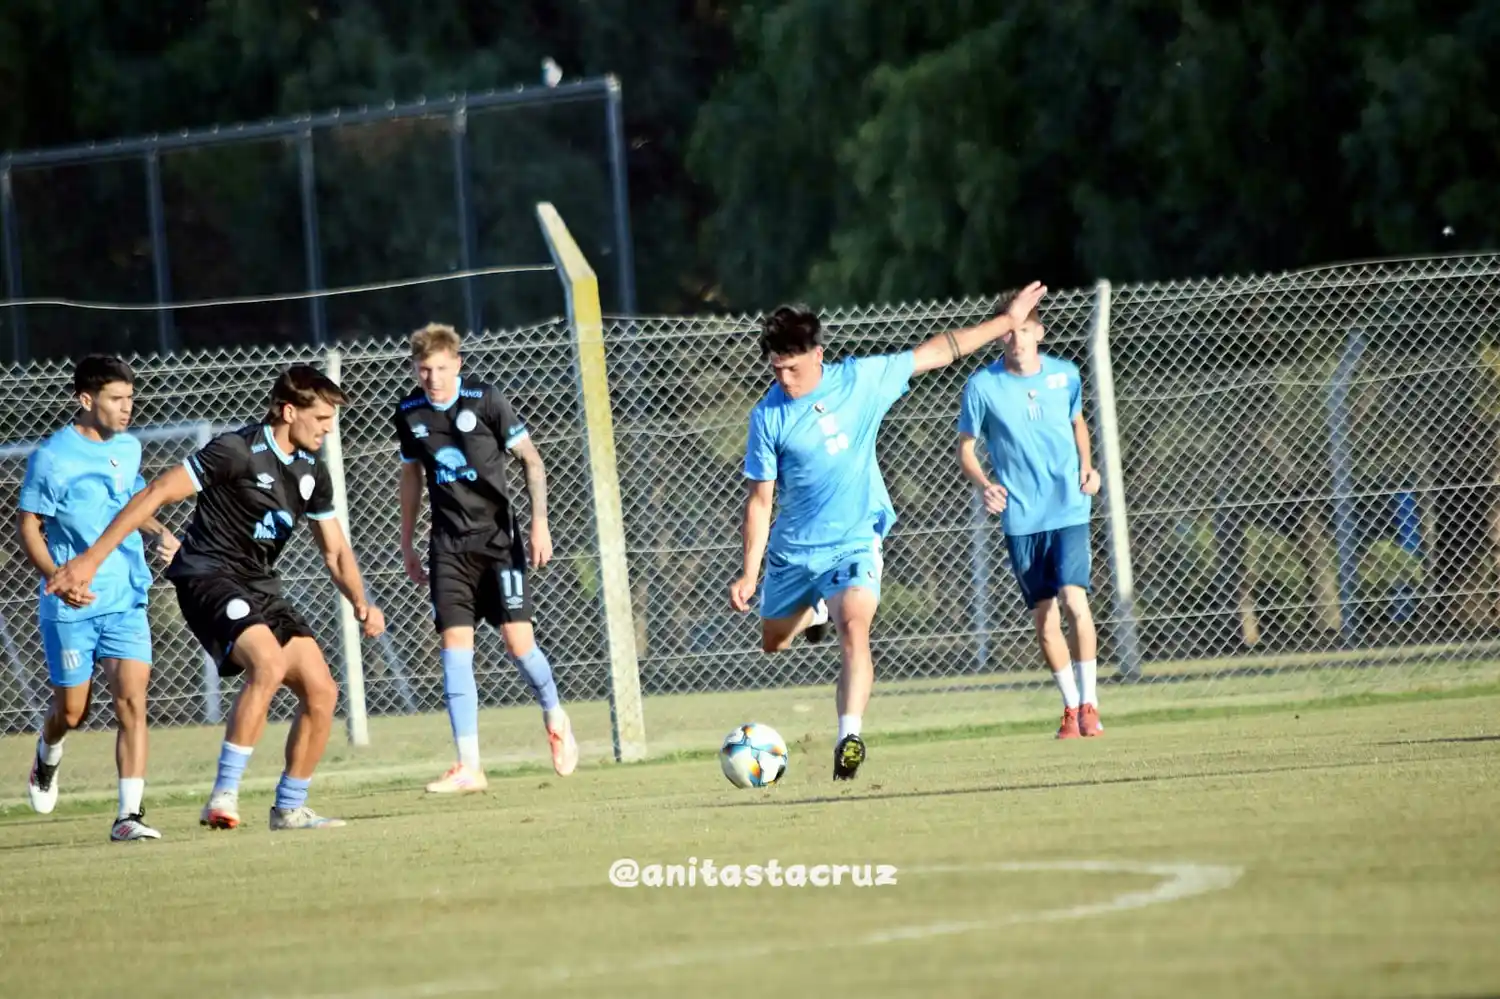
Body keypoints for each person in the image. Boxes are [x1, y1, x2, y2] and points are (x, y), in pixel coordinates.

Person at [729, 281, 1049, 779]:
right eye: (776, 369)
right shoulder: (767, 417)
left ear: (818, 354)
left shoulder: (862, 379)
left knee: (855, 627)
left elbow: (938, 351)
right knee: (774, 642)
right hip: (795, 550)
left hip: (856, 536)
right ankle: (812, 609)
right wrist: (750, 573)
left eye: (792, 367)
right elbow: (760, 499)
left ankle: (849, 740)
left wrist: (1008, 322)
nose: (784, 378)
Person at [47, 365, 386, 830]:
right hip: (207, 575)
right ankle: (223, 796)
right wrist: (90, 561)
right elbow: (154, 494)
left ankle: (289, 807)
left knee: (322, 691)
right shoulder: (236, 450)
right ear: (289, 411)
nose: (329, 428)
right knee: (266, 662)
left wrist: (361, 601)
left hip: (260, 584)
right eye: (322, 418)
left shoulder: (312, 471)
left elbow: (335, 550)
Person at [393, 323, 578, 793]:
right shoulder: (410, 413)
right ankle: (470, 766)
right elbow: (412, 477)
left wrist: (539, 523)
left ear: (457, 363)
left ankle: (555, 715)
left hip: (499, 544)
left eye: (440, 367)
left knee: (520, 647)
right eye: (424, 369)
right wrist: (407, 541)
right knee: (455, 650)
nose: (433, 377)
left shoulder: (487, 399)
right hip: (448, 549)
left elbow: (532, 462)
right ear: (416, 370)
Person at [19, 355, 179, 841]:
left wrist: (158, 532)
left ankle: (128, 816)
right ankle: (48, 753)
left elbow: (130, 502)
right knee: (73, 712)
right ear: (86, 400)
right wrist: (58, 578)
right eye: (117, 398)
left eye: (130, 397)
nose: (128, 407)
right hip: (73, 605)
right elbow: (30, 527)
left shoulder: (128, 448)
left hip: (126, 596)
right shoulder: (52, 457)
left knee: (133, 700)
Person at [956, 303, 1104, 739]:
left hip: (1069, 506)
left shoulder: (1065, 375)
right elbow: (966, 448)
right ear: (1000, 335)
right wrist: (985, 483)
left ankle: (1091, 704)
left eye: (1025, 330)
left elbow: (1078, 422)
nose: (1017, 338)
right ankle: (1071, 708)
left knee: (1076, 601)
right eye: (1009, 331)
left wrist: (1088, 467)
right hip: (1022, 516)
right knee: (1044, 620)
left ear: (1039, 331)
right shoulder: (982, 386)